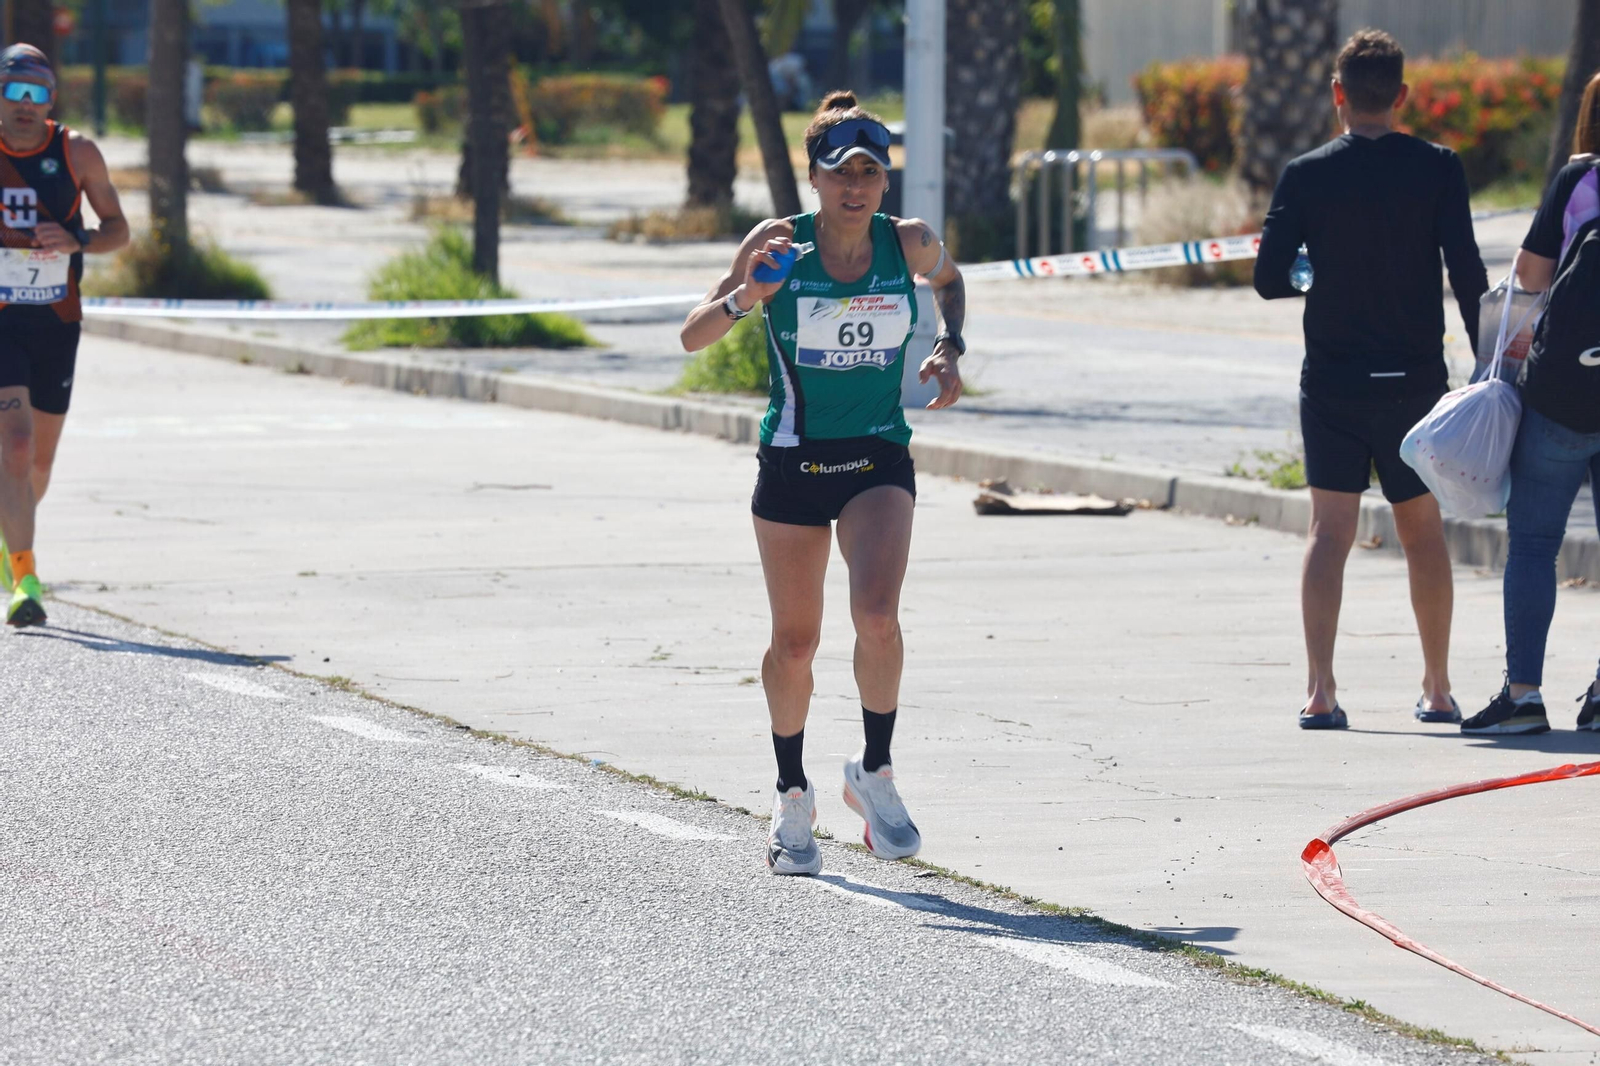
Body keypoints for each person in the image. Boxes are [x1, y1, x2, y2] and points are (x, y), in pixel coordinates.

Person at [679, 90, 965, 875]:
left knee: (876, 615)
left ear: (884, 181)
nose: (856, 187)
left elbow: (952, 281)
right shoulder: (779, 245)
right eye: (841, 172)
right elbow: (692, 332)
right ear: (813, 177)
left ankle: (875, 772)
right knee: (796, 643)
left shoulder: (906, 242)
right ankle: (791, 793)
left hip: (876, 454)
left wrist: (950, 348)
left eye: (871, 172)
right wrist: (749, 296)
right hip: (793, 460)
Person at [1254, 30, 1488, 730]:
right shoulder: (1439, 168)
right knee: (1423, 534)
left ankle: (1321, 690)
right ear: (1402, 96)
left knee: (1330, 533)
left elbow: (1268, 278)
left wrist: (1312, 268)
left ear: (1338, 95)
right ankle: (1439, 688)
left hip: (1332, 381)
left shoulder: (1307, 173)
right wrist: (1488, 367)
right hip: (1415, 382)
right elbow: (1469, 272)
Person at [1460, 69, 1600, 736]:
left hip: (1564, 392)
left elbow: (1530, 277)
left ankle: (1523, 696)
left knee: (1535, 542)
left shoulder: (1578, 179)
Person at [0, 43, 129, 628]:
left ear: (51, 99)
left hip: (56, 321)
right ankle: (25, 579)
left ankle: (10, 540)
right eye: (14, 91)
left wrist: (79, 241)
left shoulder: (75, 151)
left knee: (39, 463)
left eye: (37, 93)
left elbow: (119, 230)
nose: (26, 104)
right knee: (17, 443)